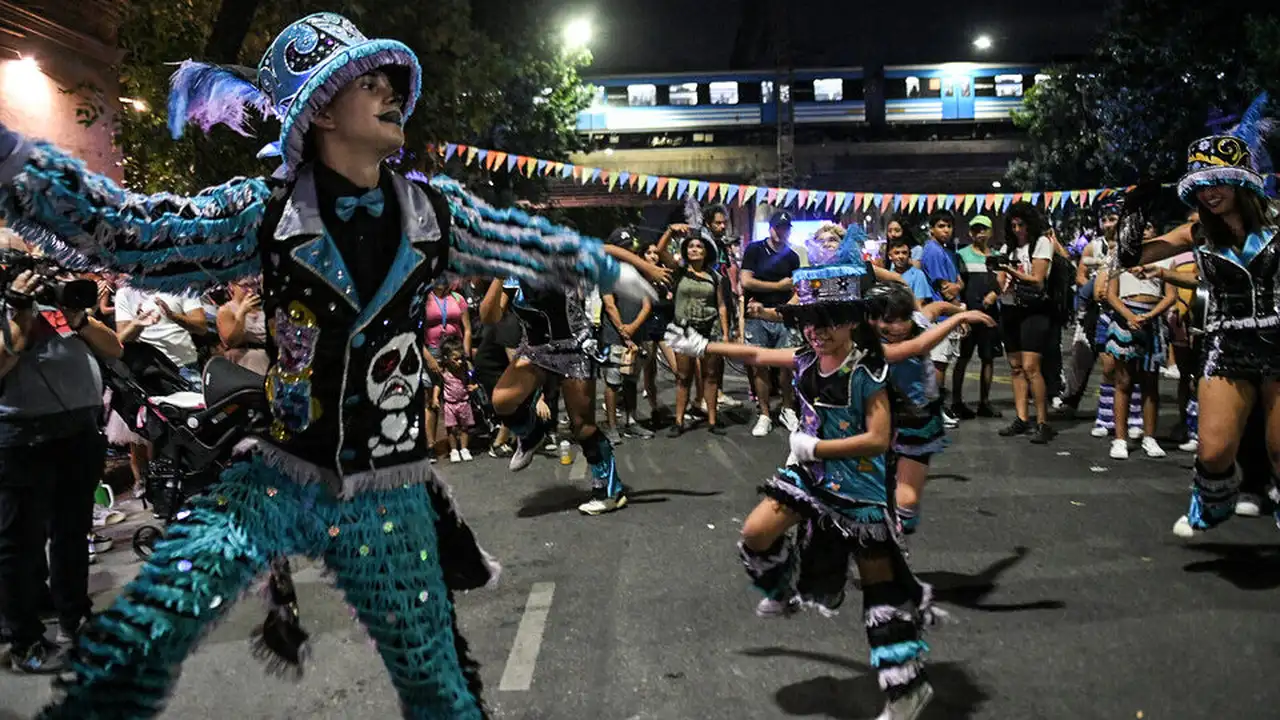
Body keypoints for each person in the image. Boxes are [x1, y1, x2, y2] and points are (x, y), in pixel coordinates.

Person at [0, 12, 655, 716]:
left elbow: (518, 238)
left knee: (439, 687)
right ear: (321, 114)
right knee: (141, 631)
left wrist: (603, 269)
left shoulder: (435, 213)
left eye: (389, 81)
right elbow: (137, 231)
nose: (389, 94)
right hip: (279, 478)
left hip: (390, 495)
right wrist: (15, 161)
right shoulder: (265, 212)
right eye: (367, 83)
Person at [666, 227, 942, 719]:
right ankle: (786, 586)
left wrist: (817, 445)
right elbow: (753, 354)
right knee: (755, 535)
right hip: (812, 480)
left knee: (881, 600)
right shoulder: (804, 359)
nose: (817, 331)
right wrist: (704, 346)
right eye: (809, 322)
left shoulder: (867, 372)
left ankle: (907, 690)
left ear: (851, 323)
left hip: (859, 498)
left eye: (828, 322)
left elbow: (879, 440)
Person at [1124, 96, 1280, 536]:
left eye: (1220, 182)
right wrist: (1137, 209)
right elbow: (1130, 255)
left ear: (1240, 182)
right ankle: (1214, 504)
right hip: (1227, 344)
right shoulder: (1195, 232)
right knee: (1212, 453)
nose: (1211, 193)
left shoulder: (1276, 224)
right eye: (1202, 185)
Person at [0, 228, 123, 673]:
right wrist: (16, 312)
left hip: (79, 433)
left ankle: (77, 619)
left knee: (72, 535)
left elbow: (115, 348)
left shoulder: (59, 307)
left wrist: (82, 320)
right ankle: (25, 641)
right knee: (21, 546)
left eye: (31, 261)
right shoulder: (9, 310)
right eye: (17, 261)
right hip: (22, 439)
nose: (29, 270)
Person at [865, 283, 996, 534]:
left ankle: (899, 535)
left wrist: (957, 309)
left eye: (903, 319)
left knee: (908, 500)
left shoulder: (919, 323)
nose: (897, 327)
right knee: (875, 495)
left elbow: (935, 308)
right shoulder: (870, 346)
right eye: (887, 321)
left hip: (918, 420)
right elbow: (917, 347)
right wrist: (960, 317)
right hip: (876, 422)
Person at [1102, 222, 1175, 460]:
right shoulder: (1120, 255)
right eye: (1139, 227)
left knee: (1150, 383)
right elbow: (1111, 294)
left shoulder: (1167, 258)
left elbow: (1171, 295)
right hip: (1126, 316)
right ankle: (1120, 439)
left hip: (1152, 318)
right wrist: (1130, 316)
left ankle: (1150, 437)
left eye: (1148, 227)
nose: (1144, 230)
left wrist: (1150, 316)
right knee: (1122, 380)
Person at [994, 202, 1058, 444]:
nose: (1018, 229)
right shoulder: (1007, 248)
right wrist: (1000, 279)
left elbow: (1039, 280)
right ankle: (1022, 418)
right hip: (1010, 309)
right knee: (1016, 367)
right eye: (1013, 225)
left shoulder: (1041, 243)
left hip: (1034, 310)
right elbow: (1000, 284)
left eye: (1021, 224)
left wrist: (1012, 271)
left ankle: (1043, 421)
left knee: (1032, 367)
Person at [740, 211, 802, 436]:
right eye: (778, 227)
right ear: (771, 227)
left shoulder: (793, 257)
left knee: (787, 365)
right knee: (760, 366)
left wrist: (782, 307)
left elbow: (797, 289)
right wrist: (778, 287)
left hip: (782, 316)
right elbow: (746, 281)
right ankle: (765, 413)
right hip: (756, 316)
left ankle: (787, 408)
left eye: (785, 227)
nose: (781, 231)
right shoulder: (755, 249)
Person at [669, 233, 730, 436]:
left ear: (706, 252)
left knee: (710, 376)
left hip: (709, 329)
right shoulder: (679, 273)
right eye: (690, 246)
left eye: (699, 247)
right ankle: (678, 421)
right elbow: (661, 252)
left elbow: (721, 305)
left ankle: (712, 420)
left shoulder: (715, 276)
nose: (694, 249)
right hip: (684, 329)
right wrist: (670, 231)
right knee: (683, 376)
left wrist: (726, 334)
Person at [916, 210, 964, 428]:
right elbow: (946, 288)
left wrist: (956, 287)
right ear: (932, 228)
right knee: (938, 365)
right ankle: (935, 410)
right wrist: (959, 314)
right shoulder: (933, 251)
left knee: (942, 364)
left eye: (949, 226)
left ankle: (938, 409)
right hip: (941, 315)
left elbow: (959, 282)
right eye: (941, 226)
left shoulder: (946, 251)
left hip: (948, 313)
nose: (946, 230)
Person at [952, 215, 1002, 418]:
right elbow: (957, 284)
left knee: (988, 358)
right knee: (963, 358)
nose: (980, 233)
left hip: (990, 315)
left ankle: (984, 402)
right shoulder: (961, 255)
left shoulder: (997, 256)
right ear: (970, 232)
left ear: (990, 232)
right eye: (976, 229)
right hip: (968, 313)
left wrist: (994, 293)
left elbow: (1001, 281)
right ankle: (956, 402)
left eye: (984, 229)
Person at [437, 335, 476, 462]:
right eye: (456, 359)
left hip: (464, 402)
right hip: (450, 404)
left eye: (461, 358)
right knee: (451, 428)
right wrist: (434, 397)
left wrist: (473, 386)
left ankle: (464, 448)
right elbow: (438, 385)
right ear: (447, 358)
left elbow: (472, 379)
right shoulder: (444, 371)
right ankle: (454, 450)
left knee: (465, 427)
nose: (459, 361)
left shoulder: (465, 368)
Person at [216, 280, 269, 374]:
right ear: (232, 286)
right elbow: (231, 341)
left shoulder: (266, 308)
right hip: (244, 364)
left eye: (254, 285)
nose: (251, 290)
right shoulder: (226, 310)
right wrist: (242, 312)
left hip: (268, 360)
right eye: (245, 286)